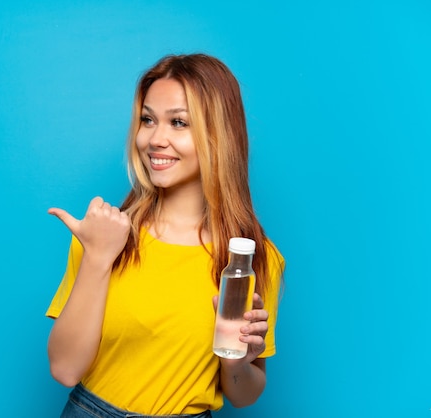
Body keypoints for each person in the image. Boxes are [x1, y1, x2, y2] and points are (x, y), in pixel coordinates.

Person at [45, 53, 285, 417]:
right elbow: (64, 369)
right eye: (147, 120)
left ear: (219, 135)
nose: (156, 139)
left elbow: (243, 395)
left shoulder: (251, 259)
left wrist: (237, 360)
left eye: (178, 122)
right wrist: (97, 256)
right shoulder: (104, 236)